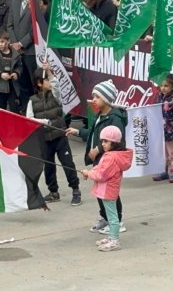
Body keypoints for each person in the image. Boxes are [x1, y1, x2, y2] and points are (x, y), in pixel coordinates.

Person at [66, 80, 128, 234]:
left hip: (107, 159)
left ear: (106, 99)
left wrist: (98, 148)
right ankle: (105, 217)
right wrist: (78, 132)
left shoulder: (115, 118)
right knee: (100, 190)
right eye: (94, 96)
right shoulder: (100, 115)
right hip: (98, 159)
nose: (93, 99)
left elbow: (116, 140)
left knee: (110, 192)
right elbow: (94, 133)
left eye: (97, 97)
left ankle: (118, 221)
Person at [27, 68, 82, 206]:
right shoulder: (32, 101)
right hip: (44, 139)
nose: (49, 82)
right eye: (46, 80)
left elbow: (56, 85)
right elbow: (29, 119)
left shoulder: (56, 95)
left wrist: (49, 72)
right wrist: (43, 122)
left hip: (60, 136)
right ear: (39, 83)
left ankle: (75, 190)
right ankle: (53, 191)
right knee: (49, 166)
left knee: (68, 163)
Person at [81, 126, 133, 252]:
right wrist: (91, 171)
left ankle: (114, 240)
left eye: (106, 141)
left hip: (107, 190)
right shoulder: (112, 155)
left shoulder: (110, 157)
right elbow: (100, 168)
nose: (102, 144)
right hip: (108, 189)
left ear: (114, 143)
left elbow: (101, 175)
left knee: (112, 217)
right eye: (102, 141)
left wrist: (88, 173)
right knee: (111, 215)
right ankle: (111, 237)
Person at [154, 74, 173, 183]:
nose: (163, 88)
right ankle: (163, 170)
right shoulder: (159, 97)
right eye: (161, 86)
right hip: (161, 130)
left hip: (171, 130)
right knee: (162, 152)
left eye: (166, 86)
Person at [0, 30, 23, 112]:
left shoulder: (15, 54)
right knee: (0, 109)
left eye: (2, 42)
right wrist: (0, 74)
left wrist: (16, 73)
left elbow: (19, 66)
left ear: (8, 41)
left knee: (14, 108)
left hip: (12, 86)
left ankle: (13, 124)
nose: (0, 44)